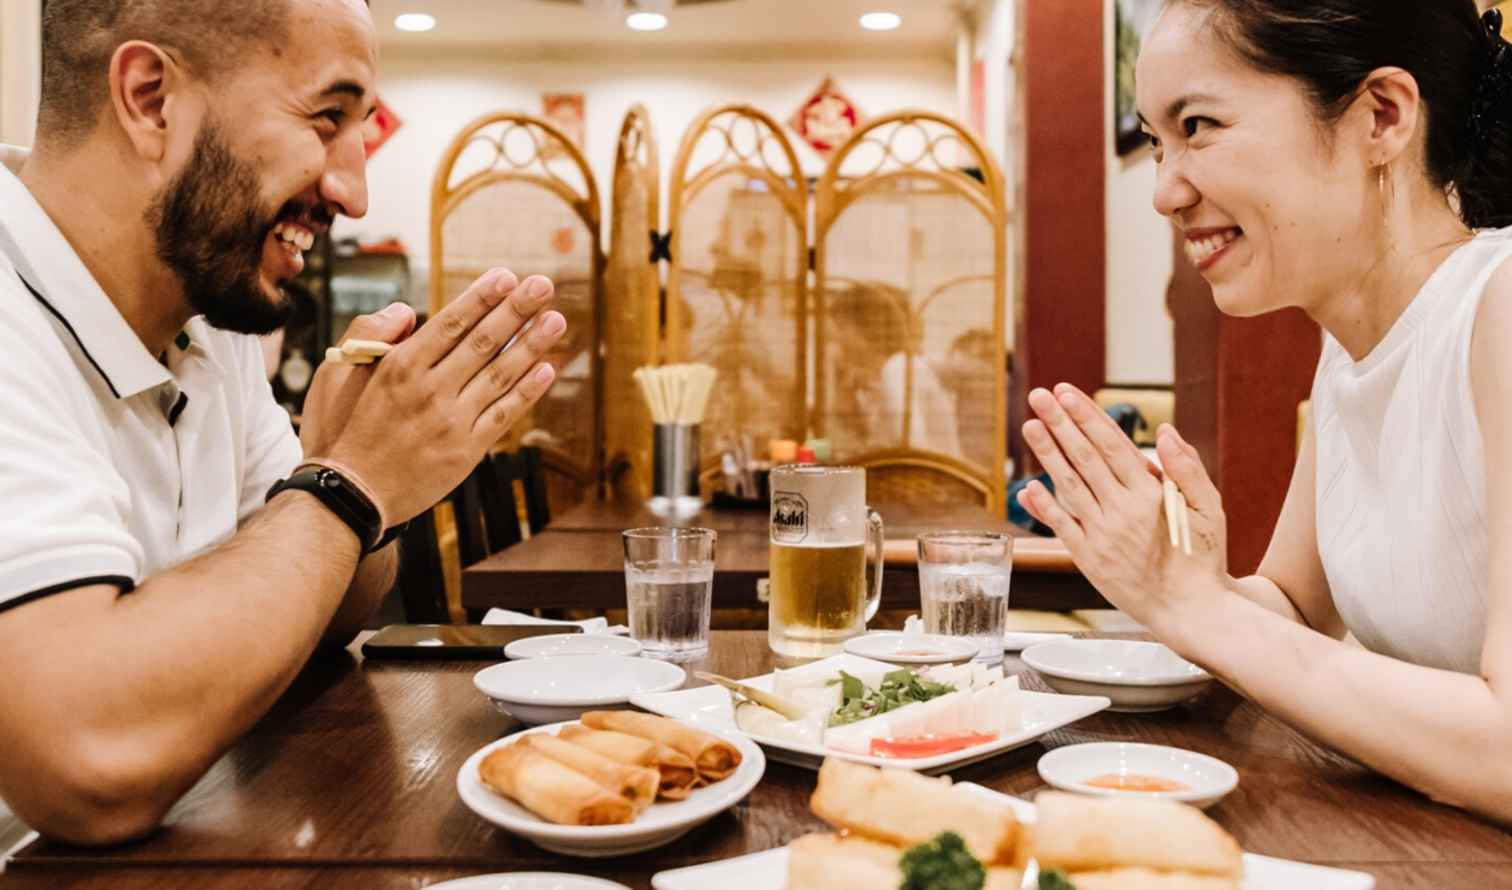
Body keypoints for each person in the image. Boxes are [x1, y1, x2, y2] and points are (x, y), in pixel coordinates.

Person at [0, 0, 566, 844]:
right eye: (326, 118)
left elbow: (327, 612)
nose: (355, 192)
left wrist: (344, 473)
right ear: (151, 98)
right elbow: (88, 760)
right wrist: (346, 486)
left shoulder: (207, 310)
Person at [1017, 0, 1512, 823]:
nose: (1165, 190)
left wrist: (1196, 606)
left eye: (1199, 125)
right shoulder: (1349, 347)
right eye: (1154, 141)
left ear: (1381, 117)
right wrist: (1175, 573)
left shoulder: (1498, 312)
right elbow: (1291, 612)